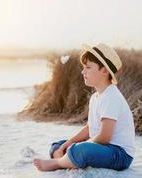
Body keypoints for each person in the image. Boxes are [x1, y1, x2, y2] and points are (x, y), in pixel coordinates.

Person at [33, 43, 135, 171]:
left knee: (81, 150)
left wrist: (80, 145)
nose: (83, 71)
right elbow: (90, 128)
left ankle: (57, 163)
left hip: (119, 154)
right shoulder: (96, 97)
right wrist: (69, 142)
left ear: (104, 71)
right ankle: (70, 159)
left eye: (88, 67)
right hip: (101, 147)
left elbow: (104, 137)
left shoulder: (111, 97)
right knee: (58, 146)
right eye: (83, 67)